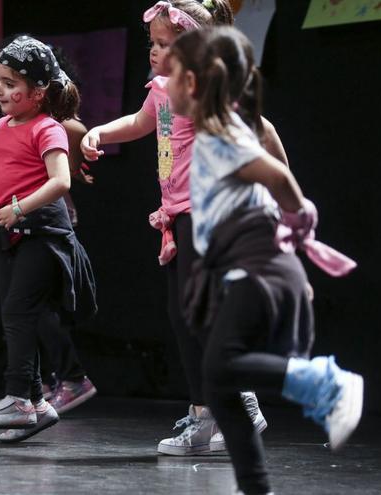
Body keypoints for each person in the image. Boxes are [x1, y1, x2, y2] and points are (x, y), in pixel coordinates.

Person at [166, 26, 361, 494]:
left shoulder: (219, 133)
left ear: (193, 83)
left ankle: (327, 383)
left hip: (259, 266)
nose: (162, 81)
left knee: (222, 370)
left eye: (170, 72)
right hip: (252, 267)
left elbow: (277, 176)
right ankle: (257, 487)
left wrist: (298, 224)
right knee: (219, 381)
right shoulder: (223, 130)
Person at [81, 0, 277, 455]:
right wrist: (100, 133)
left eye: (164, 44)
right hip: (176, 214)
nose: (153, 51)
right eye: (152, 43)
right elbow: (139, 122)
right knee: (182, 314)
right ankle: (207, 415)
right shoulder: (162, 90)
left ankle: (237, 401)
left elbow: (261, 130)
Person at [0, 35, 97, 443]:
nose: (0, 90)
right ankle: (37, 405)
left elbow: (60, 180)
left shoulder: (48, 129)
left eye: (9, 83)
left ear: (38, 93)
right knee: (13, 314)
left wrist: (20, 208)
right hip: (11, 234)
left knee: (20, 312)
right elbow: (3, 172)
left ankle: (18, 398)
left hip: (44, 233)